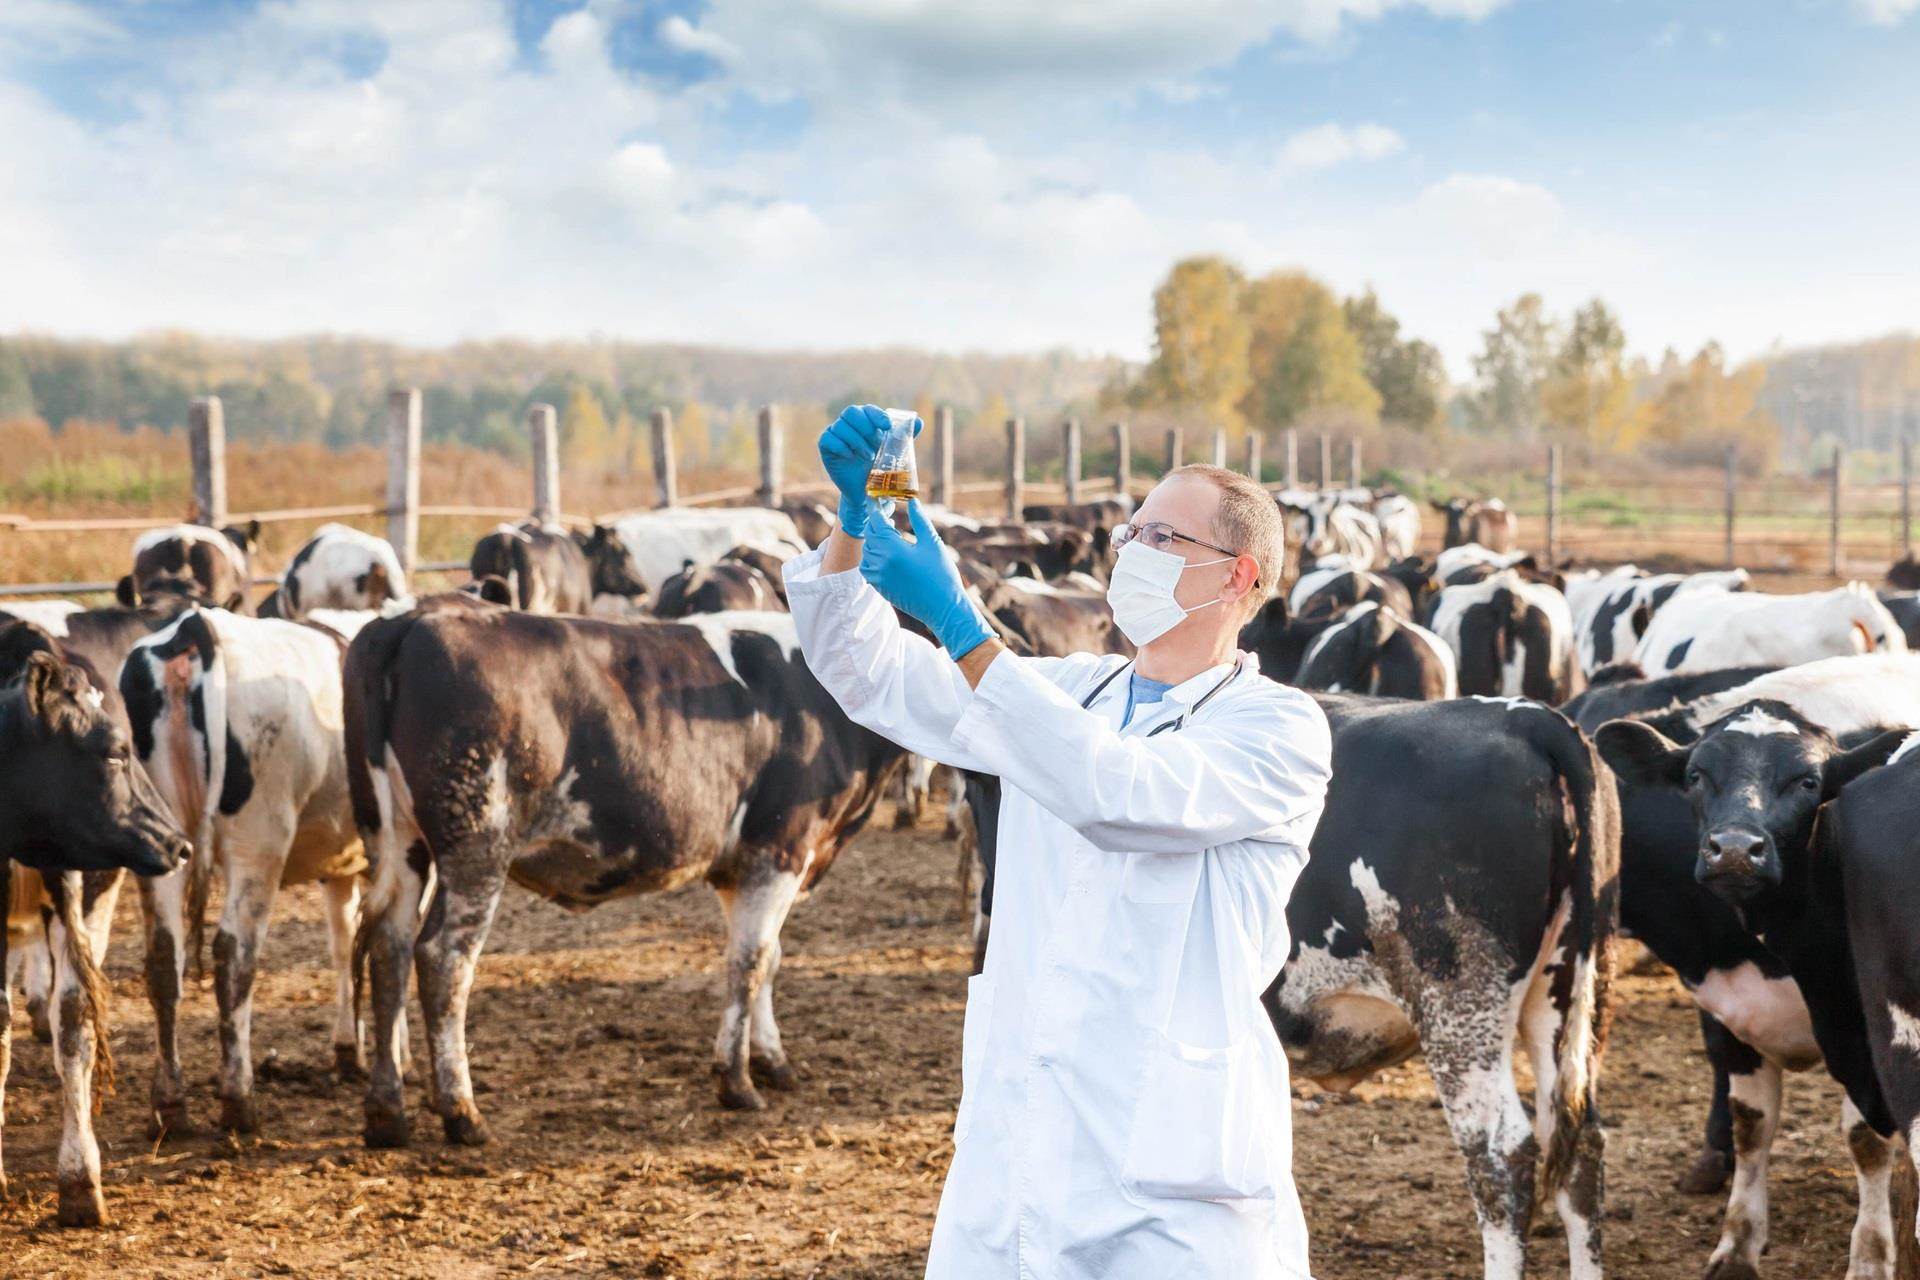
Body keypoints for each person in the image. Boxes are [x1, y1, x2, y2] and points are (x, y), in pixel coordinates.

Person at [783, 405, 1333, 1280]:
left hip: (1172, 1189)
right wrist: (864, 514)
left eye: (1163, 537)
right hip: (1018, 1150)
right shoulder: (1071, 689)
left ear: (1239, 576)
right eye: (1130, 532)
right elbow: (867, 671)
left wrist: (961, 623)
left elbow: (1119, 795)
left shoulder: (1278, 729)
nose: (1131, 550)